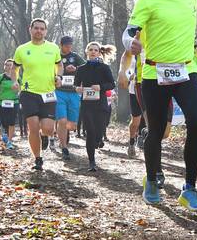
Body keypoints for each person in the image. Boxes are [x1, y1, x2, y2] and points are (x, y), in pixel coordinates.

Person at [122, 0, 197, 211]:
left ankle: (189, 187)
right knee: (156, 131)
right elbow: (129, 31)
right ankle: (151, 180)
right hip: (154, 72)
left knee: (195, 122)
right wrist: (130, 44)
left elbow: (181, 31)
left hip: (185, 70)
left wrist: (196, 48)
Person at [12, 19, 62, 172]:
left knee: (47, 128)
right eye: (36, 28)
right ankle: (38, 159)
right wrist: (14, 81)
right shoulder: (22, 49)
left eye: (42, 29)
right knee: (32, 126)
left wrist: (59, 77)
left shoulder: (53, 48)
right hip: (28, 93)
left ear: (46, 31)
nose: (39, 31)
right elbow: (14, 68)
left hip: (48, 93)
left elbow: (59, 65)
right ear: (30, 29)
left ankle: (44, 135)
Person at [75, 42, 117, 171]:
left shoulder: (104, 68)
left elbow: (112, 84)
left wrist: (101, 87)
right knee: (90, 132)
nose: (93, 52)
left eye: (96, 50)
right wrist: (78, 89)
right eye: (91, 50)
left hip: (101, 104)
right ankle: (91, 162)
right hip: (87, 105)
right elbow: (76, 84)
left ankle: (99, 140)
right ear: (86, 51)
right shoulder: (81, 69)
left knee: (99, 132)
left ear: (99, 53)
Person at [54, 36, 85, 161]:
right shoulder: (55, 56)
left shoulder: (75, 56)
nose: (69, 48)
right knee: (62, 120)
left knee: (71, 125)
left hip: (73, 92)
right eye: (67, 45)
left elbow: (86, 67)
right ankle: (64, 148)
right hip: (59, 92)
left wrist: (76, 69)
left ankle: (62, 136)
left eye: (70, 45)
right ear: (61, 45)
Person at [119, 46, 147, 158]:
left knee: (151, 118)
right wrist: (128, 75)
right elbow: (127, 68)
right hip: (134, 90)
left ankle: (146, 140)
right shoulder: (133, 51)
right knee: (136, 121)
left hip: (151, 89)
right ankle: (131, 141)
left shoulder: (155, 49)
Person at [0, 60, 19, 148]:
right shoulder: (0, 77)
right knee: (5, 122)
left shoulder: (17, 77)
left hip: (14, 101)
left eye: (11, 65)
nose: (9, 67)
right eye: (7, 65)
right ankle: (4, 133)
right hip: (2, 102)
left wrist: (18, 92)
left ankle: (9, 141)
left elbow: (21, 89)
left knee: (11, 122)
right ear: (4, 66)